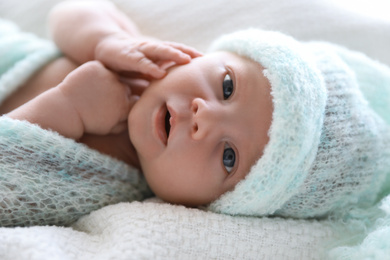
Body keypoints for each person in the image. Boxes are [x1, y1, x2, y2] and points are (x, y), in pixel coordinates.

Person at [1, 1, 390, 227]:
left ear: (211, 206)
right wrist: (107, 40)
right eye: (227, 87)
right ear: (207, 53)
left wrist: (67, 109)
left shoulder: (105, 183)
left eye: (228, 157)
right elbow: (70, 11)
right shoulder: (137, 63)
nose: (205, 117)